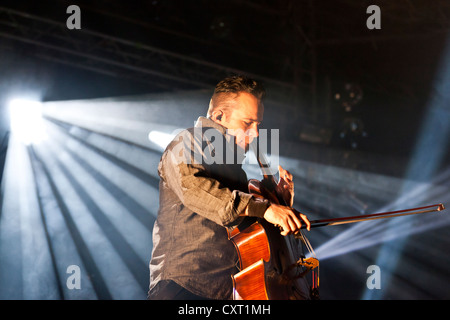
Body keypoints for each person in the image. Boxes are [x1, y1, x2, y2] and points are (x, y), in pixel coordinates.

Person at [147, 75, 310, 300]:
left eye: (257, 125)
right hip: (185, 285)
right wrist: (267, 209)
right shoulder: (187, 142)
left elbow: (250, 233)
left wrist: (278, 202)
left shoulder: (235, 169)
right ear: (218, 116)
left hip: (229, 290)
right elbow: (197, 191)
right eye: (247, 123)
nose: (255, 134)